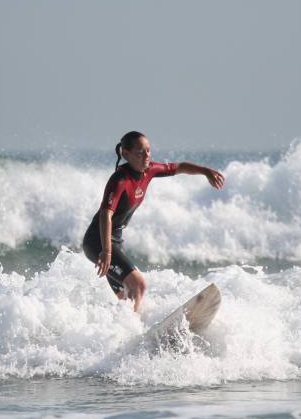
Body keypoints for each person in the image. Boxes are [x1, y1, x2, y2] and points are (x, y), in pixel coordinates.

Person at [82, 131, 225, 312]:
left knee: (127, 298)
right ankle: (134, 336)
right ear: (126, 154)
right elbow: (105, 214)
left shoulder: (149, 170)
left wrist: (205, 171)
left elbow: (178, 167)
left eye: (148, 151)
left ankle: (123, 329)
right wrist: (106, 251)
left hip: (114, 242)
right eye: (140, 153)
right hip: (98, 243)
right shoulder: (120, 180)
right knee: (139, 285)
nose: (146, 156)